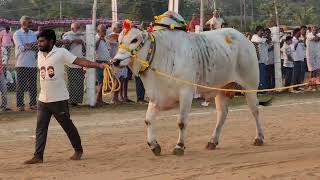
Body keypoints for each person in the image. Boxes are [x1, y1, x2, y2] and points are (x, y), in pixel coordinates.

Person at [24, 29, 109, 164]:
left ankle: (78, 150)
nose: (39, 44)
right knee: (40, 128)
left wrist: (98, 65)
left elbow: (80, 61)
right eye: (38, 41)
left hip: (59, 99)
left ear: (51, 41)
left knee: (67, 126)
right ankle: (38, 156)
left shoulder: (61, 53)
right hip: (43, 99)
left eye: (42, 41)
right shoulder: (40, 54)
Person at [13, 16, 38, 111]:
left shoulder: (33, 34)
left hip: (32, 63)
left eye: (31, 22)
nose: (31, 24)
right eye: (29, 22)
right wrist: (31, 45)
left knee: (33, 86)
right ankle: (20, 105)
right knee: (20, 86)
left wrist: (29, 45)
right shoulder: (17, 34)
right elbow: (21, 48)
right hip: (21, 63)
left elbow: (37, 47)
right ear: (23, 23)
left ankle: (33, 104)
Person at [62, 22, 86, 106]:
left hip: (80, 62)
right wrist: (73, 41)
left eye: (79, 27)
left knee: (80, 83)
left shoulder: (83, 36)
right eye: (77, 28)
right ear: (72, 29)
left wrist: (82, 42)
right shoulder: (67, 35)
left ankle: (76, 101)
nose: (79, 30)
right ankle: (70, 101)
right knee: (71, 83)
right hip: (70, 63)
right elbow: (66, 49)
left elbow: (85, 50)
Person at [95, 24, 112, 106]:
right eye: (103, 30)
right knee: (100, 82)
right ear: (98, 31)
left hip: (106, 63)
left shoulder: (106, 39)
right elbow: (94, 48)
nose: (105, 32)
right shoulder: (95, 38)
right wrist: (99, 39)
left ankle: (100, 99)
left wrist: (109, 60)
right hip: (98, 62)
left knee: (104, 81)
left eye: (105, 30)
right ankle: (97, 99)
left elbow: (108, 50)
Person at [251, 26, 268, 91]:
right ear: (257, 31)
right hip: (257, 61)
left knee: (263, 76)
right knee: (260, 76)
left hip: (263, 61)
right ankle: (261, 90)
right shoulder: (255, 37)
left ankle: (263, 89)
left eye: (262, 31)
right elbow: (259, 40)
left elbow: (267, 47)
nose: (262, 32)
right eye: (261, 31)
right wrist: (266, 39)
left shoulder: (263, 39)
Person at [306, 25, 320, 91]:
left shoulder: (319, 34)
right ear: (311, 30)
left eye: (316, 30)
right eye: (314, 30)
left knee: (316, 71)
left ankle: (314, 85)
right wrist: (317, 36)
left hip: (317, 55)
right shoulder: (308, 35)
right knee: (311, 71)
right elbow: (316, 39)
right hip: (310, 55)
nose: (315, 31)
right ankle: (310, 86)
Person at [291, 28, 305, 92]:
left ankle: (299, 86)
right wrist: (297, 42)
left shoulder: (299, 39)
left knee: (300, 73)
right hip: (296, 59)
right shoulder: (293, 40)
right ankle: (294, 87)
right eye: (299, 33)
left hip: (301, 58)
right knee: (295, 74)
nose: (300, 34)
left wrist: (302, 42)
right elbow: (293, 48)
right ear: (296, 33)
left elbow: (304, 48)